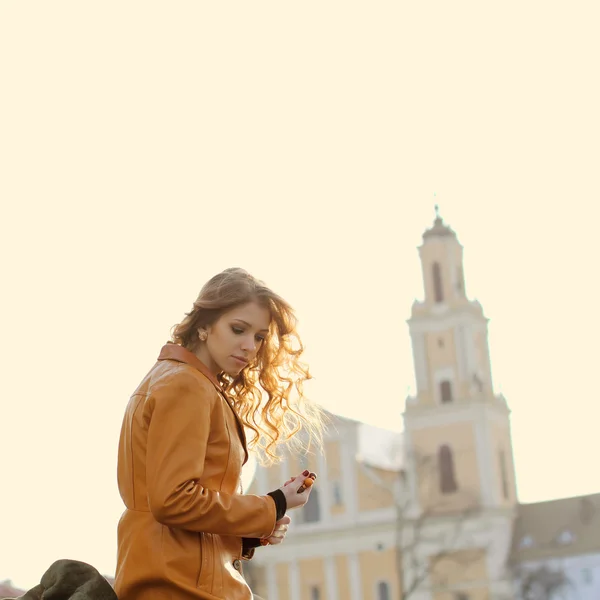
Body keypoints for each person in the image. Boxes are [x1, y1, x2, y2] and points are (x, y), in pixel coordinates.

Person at [115, 268, 325, 600]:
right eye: (238, 329)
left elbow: (176, 512)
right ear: (203, 325)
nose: (249, 347)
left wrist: (253, 531)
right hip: (181, 587)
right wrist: (274, 504)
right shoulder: (187, 385)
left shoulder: (173, 379)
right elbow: (173, 500)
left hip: (170, 577)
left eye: (258, 337)